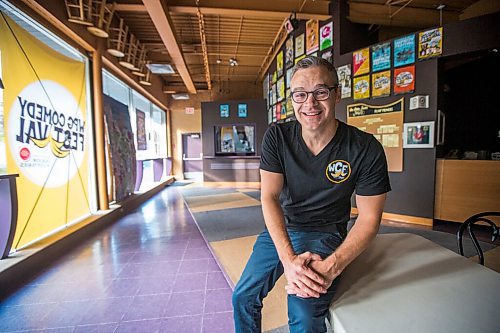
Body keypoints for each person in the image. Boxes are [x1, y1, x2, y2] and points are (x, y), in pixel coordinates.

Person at [232, 56, 391, 333]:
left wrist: (332, 266)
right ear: (292, 99)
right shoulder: (277, 137)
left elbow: (369, 218)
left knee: (304, 314)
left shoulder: (365, 148)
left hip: (326, 233)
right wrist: (289, 261)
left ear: (336, 94)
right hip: (283, 228)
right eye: (300, 94)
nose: (310, 103)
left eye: (320, 92)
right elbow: (269, 197)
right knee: (242, 297)